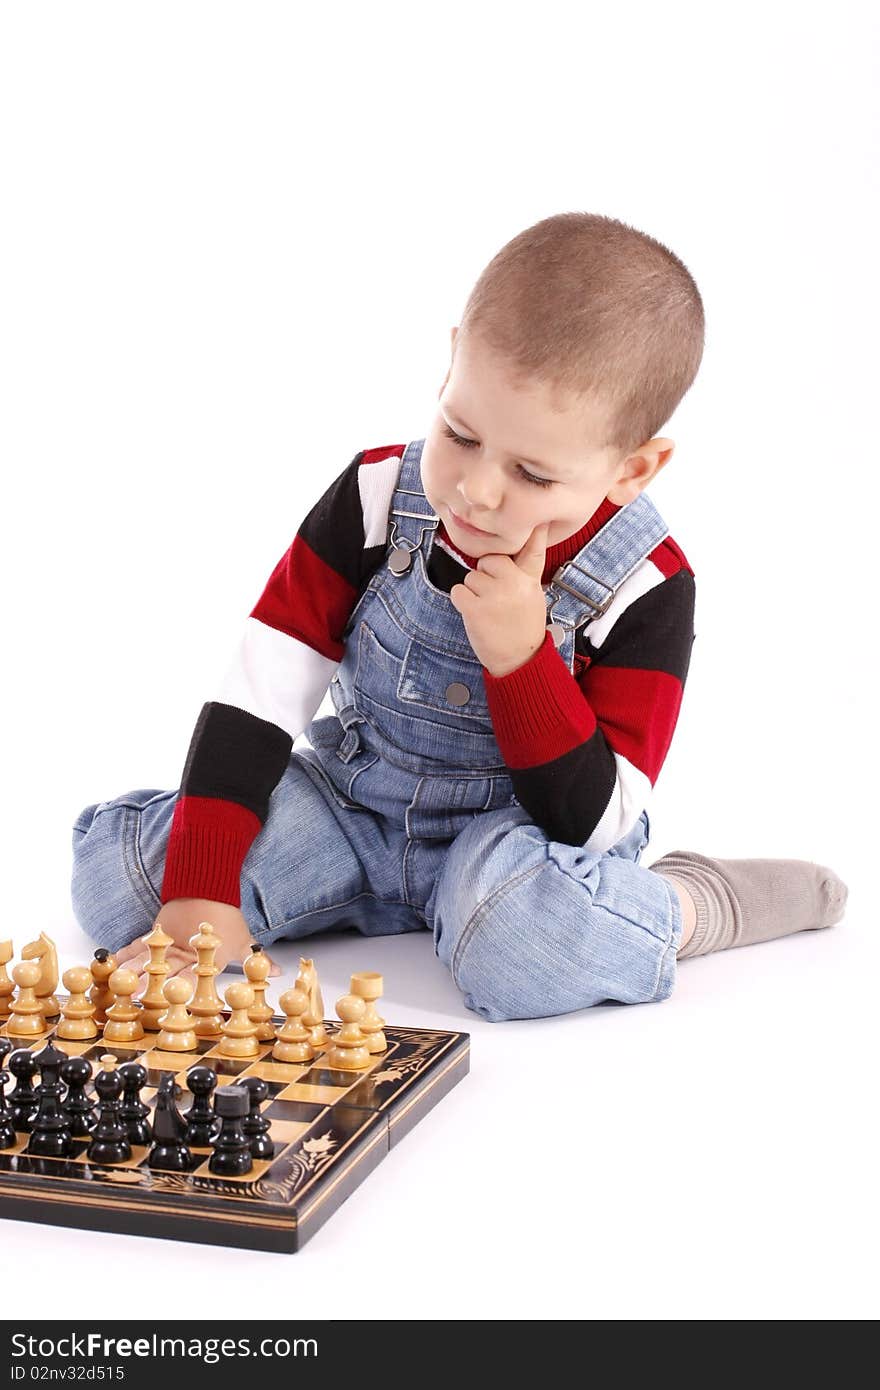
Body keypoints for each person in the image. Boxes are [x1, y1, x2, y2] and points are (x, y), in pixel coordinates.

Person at [70, 211, 848, 1022]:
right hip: (354, 810)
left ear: (633, 468)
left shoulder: (646, 586)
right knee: (123, 883)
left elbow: (592, 819)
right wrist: (200, 890)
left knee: (519, 943)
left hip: (517, 852)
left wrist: (522, 661)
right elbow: (259, 693)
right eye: (461, 433)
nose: (478, 490)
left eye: (534, 474)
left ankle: (689, 906)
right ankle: (348, 896)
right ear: (450, 363)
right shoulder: (378, 498)